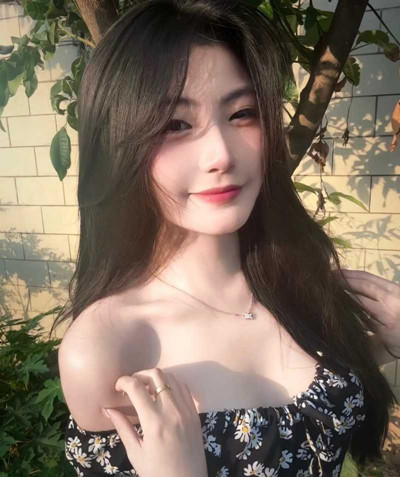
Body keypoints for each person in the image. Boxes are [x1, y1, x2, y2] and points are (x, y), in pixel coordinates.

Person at [54, 0, 400, 476]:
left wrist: (385, 345)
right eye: (175, 125)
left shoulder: (299, 281)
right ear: (118, 147)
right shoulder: (107, 349)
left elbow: (327, 405)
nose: (221, 153)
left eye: (241, 113)